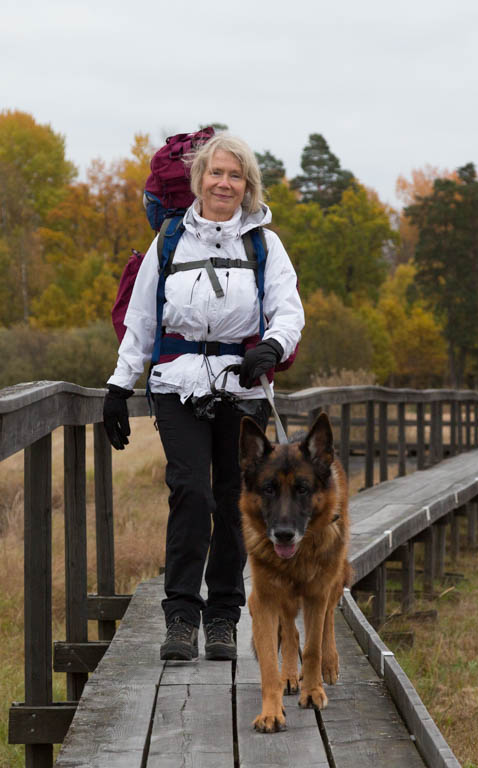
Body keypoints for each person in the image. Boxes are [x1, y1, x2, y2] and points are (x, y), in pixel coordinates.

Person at [102, 133, 304, 661]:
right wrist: (120, 385)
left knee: (236, 498)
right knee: (190, 491)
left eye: (235, 175)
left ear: (248, 185)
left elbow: (289, 310)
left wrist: (272, 347)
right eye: (216, 173)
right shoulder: (170, 240)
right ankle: (182, 615)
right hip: (177, 384)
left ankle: (223, 617)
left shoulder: (264, 244)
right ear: (198, 180)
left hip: (242, 388)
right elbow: (143, 317)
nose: (224, 183)